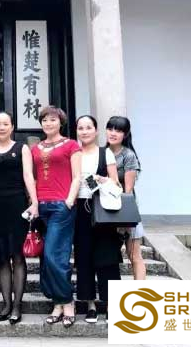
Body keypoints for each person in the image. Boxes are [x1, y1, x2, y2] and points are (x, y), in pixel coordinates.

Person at [0, 111, 38, 325]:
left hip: (17, 205)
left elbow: (28, 176)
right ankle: (6, 304)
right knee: (1, 257)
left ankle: (17, 306)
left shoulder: (21, 148)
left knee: (17, 256)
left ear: (12, 126)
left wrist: (34, 202)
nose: (2, 127)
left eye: (5, 124)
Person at [30, 106, 81, 328]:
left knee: (55, 254)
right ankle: (58, 304)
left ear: (61, 122)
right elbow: (32, 177)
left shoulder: (71, 145)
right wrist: (34, 203)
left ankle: (67, 302)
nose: (48, 123)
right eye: (44, 120)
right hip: (41, 206)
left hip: (62, 206)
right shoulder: (36, 148)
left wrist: (69, 200)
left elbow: (77, 176)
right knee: (46, 258)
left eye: (52, 119)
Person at [74, 115, 123, 323]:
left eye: (88, 127)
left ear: (96, 131)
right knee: (84, 257)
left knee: (108, 258)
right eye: (81, 128)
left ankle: (111, 305)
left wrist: (102, 180)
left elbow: (117, 185)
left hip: (103, 210)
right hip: (80, 209)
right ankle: (90, 305)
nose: (84, 131)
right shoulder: (73, 152)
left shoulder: (106, 153)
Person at [106, 115, 145, 280]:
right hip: (107, 210)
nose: (113, 133)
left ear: (125, 134)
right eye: (110, 129)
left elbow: (128, 191)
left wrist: (125, 220)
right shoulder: (102, 153)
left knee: (134, 255)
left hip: (126, 210)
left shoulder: (128, 155)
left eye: (118, 130)